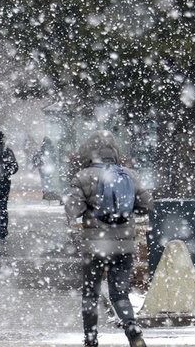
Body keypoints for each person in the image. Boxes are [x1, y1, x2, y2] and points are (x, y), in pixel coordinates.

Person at [64, 130, 153, 347]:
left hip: (95, 246)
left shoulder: (83, 177)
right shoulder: (128, 175)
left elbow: (73, 209)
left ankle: (91, 338)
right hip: (124, 245)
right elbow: (146, 204)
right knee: (119, 292)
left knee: (91, 293)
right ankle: (132, 327)